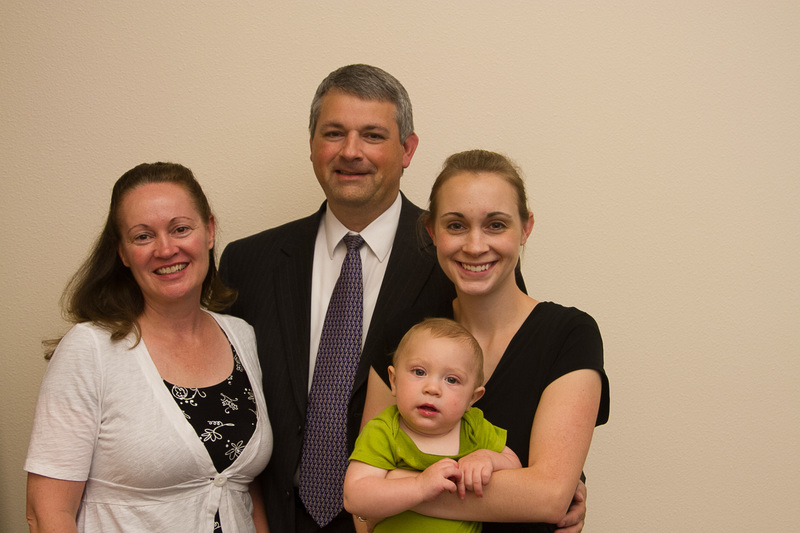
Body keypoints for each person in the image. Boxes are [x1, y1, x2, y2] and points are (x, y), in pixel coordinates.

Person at [218, 64, 587, 533]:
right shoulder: (249, 262)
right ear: (312, 145)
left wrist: (562, 484)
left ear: (407, 149)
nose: (351, 152)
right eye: (334, 133)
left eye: (373, 135)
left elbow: (507, 376)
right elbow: (229, 402)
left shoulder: (460, 262)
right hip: (277, 519)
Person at [363, 149, 611, 532]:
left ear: (525, 228)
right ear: (432, 231)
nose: (475, 246)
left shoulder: (569, 335)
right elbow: (364, 507)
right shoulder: (403, 334)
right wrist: (516, 494)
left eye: (496, 225)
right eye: (456, 225)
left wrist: (400, 487)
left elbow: (548, 496)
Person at [25, 163, 273, 533]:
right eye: (143, 236)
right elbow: (48, 512)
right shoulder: (90, 349)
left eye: (180, 229)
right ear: (122, 252)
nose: (165, 248)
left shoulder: (241, 336)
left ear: (209, 231)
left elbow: (242, 488)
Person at [344, 318, 522, 532]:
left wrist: (488, 458)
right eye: (419, 372)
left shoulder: (473, 428)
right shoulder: (384, 431)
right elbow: (354, 497)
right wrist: (419, 487)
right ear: (393, 380)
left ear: (472, 399)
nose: (432, 388)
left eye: (452, 380)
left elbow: (514, 466)